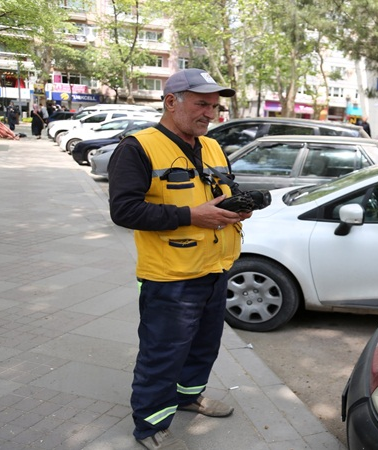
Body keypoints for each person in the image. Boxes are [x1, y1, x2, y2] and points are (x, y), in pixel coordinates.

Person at [107, 68, 247, 450]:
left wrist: (237, 206)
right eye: (202, 104)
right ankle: (149, 424)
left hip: (215, 268)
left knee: (204, 346)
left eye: (215, 106)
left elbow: (224, 189)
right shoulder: (137, 147)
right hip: (170, 278)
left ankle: (188, 397)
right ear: (171, 101)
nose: (211, 113)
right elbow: (124, 211)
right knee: (162, 353)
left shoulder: (212, 146)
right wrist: (191, 216)